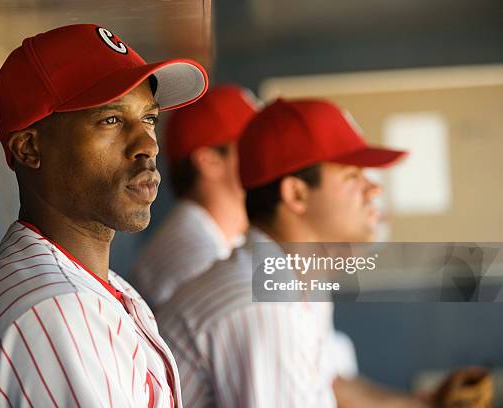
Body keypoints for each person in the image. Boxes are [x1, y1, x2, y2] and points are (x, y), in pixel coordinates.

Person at [0, 24, 208, 407]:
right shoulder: (55, 313)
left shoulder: (90, 287)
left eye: (149, 119)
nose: (147, 145)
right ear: (29, 149)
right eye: (111, 120)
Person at [156, 99, 435, 408]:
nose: (374, 190)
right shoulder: (261, 305)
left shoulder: (284, 283)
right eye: (352, 176)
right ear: (296, 194)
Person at [129, 85, 258, 308]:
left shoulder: (221, 236)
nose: (268, 156)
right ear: (209, 161)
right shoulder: (191, 255)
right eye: (255, 145)